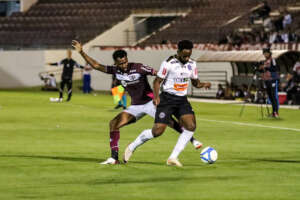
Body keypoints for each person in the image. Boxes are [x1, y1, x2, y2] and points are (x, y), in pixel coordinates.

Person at [72, 40, 203, 165]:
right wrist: (81, 52)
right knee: (113, 124)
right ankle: (114, 158)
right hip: (135, 106)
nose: (123, 65)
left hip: (150, 102)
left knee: (169, 122)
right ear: (116, 63)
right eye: (120, 63)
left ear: (127, 59)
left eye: (125, 62)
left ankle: (192, 139)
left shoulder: (138, 67)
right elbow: (95, 65)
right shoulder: (115, 70)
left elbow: (157, 74)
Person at [123, 40, 211, 167]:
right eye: (184, 55)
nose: (187, 58)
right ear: (178, 52)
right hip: (167, 100)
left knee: (191, 126)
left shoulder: (192, 64)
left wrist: (204, 84)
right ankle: (132, 146)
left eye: (189, 55)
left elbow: (196, 83)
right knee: (157, 131)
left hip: (182, 100)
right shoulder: (168, 63)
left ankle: (173, 157)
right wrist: (156, 97)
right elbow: (157, 82)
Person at [259, 48, 280, 117]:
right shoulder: (265, 61)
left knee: (274, 96)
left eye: (266, 53)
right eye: (264, 53)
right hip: (267, 80)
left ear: (269, 53)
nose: (265, 54)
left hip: (273, 79)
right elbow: (264, 70)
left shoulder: (272, 60)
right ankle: (273, 112)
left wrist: (265, 67)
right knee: (270, 97)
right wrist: (259, 69)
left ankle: (276, 112)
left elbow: (275, 68)